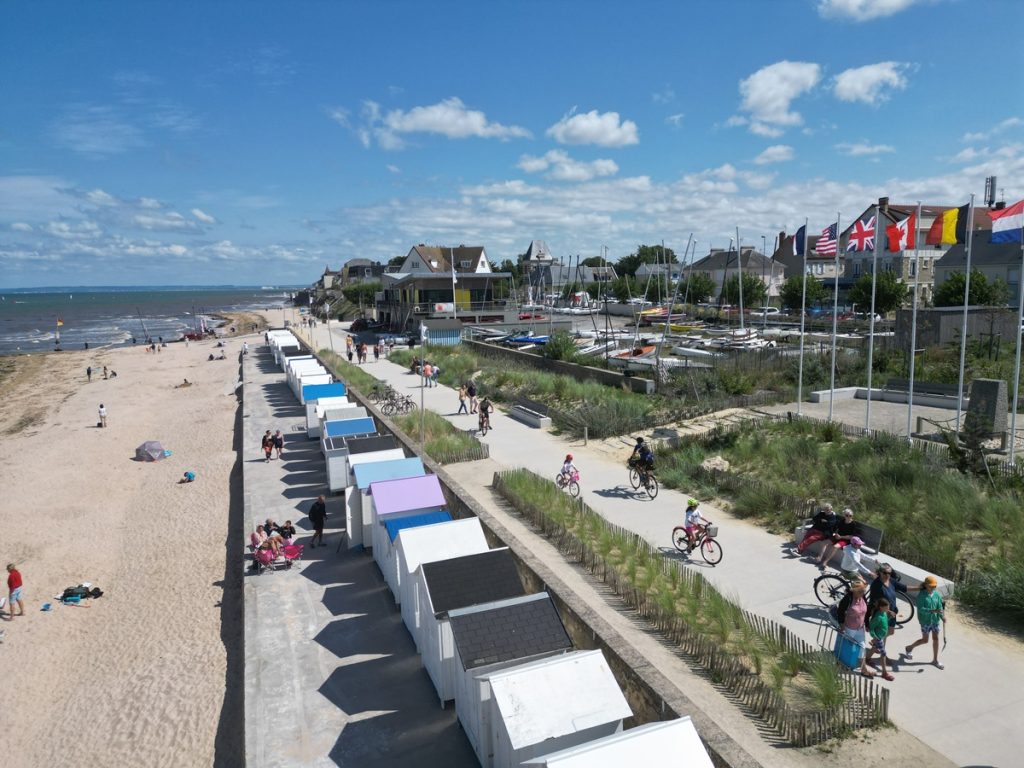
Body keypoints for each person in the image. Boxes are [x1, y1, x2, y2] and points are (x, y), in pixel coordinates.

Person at [902, 576, 946, 669]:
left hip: (935, 620)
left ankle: (935, 660)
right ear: (926, 585)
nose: (933, 588)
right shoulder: (921, 596)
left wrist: (942, 617)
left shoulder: (937, 595)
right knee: (925, 640)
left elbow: (940, 607)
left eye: (934, 586)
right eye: (931, 586)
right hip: (925, 621)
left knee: (936, 639)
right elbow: (921, 609)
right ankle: (909, 648)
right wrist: (933, 611)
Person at [835, 579, 870, 673]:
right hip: (849, 628)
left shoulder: (863, 597)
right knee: (847, 648)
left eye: (863, 591)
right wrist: (842, 625)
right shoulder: (848, 599)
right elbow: (840, 612)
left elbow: (866, 612)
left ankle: (864, 669)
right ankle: (841, 664)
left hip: (860, 628)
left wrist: (867, 624)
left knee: (862, 647)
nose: (862, 593)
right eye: (860, 591)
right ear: (853, 590)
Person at [863, 598, 894, 680]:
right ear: (881, 607)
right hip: (878, 637)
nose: (888, 609)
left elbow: (884, 622)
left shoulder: (883, 614)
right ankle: (884, 673)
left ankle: (867, 658)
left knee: (875, 648)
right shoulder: (877, 617)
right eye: (886, 608)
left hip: (881, 636)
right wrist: (875, 637)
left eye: (888, 607)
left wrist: (890, 617)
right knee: (883, 653)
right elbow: (871, 628)